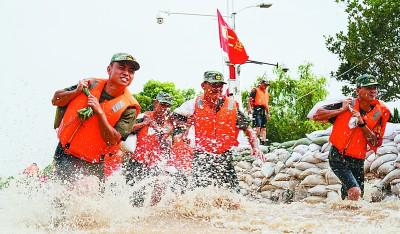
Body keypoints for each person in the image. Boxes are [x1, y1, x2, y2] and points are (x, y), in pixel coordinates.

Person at [51, 53, 141, 182]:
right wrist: (76, 91)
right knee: (65, 194)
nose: (126, 73)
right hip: (66, 153)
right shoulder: (90, 84)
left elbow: (113, 140)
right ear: (109, 70)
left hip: (94, 162)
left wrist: (100, 113)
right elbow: (56, 100)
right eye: (122, 68)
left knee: (89, 197)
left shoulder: (130, 108)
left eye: (131, 71)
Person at [173, 71, 263, 193]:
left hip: (224, 155)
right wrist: (185, 124)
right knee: (199, 195)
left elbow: (248, 129)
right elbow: (172, 119)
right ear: (203, 86)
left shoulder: (231, 106)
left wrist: (255, 147)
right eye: (213, 85)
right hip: (202, 156)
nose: (217, 88)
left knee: (234, 196)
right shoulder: (193, 104)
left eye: (220, 85)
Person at [312, 74, 390, 201]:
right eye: (368, 88)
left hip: (358, 159)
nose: (373, 91)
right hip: (338, 156)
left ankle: (343, 219)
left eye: (375, 88)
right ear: (358, 90)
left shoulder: (379, 113)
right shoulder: (347, 104)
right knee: (355, 191)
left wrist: (362, 123)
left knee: (354, 198)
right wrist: (341, 110)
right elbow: (317, 115)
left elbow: (375, 142)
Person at [124, 91, 175, 206]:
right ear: (155, 104)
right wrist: (144, 124)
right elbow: (126, 129)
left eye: (168, 106)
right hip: (136, 162)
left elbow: (164, 137)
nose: (165, 108)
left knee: (156, 190)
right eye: (162, 105)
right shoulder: (144, 116)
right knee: (134, 198)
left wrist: (155, 127)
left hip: (153, 166)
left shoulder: (168, 125)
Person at [247, 79, 271, 145]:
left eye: (267, 85)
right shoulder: (255, 90)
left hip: (264, 111)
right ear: (261, 83)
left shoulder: (266, 93)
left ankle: (263, 142)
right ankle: (253, 142)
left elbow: (266, 104)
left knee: (264, 127)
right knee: (257, 127)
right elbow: (249, 100)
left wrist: (268, 113)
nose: (265, 86)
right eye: (265, 85)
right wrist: (249, 109)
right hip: (257, 109)